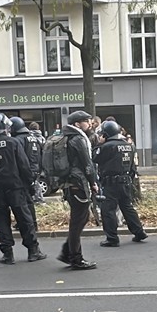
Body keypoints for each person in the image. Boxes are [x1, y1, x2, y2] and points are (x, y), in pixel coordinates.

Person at [0, 112, 45, 265]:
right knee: (24, 219)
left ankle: (7, 254)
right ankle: (33, 251)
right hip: (16, 188)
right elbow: (24, 166)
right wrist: (29, 186)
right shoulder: (12, 143)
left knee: (1, 222)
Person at [55, 111, 100, 270]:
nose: (90, 123)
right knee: (78, 221)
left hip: (71, 184)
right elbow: (87, 163)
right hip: (78, 184)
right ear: (77, 124)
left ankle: (68, 252)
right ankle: (75, 258)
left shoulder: (67, 138)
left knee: (80, 219)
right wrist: (93, 182)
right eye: (86, 121)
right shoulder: (79, 139)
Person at [94, 120, 147, 247]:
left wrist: (98, 145)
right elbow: (133, 166)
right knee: (127, 207)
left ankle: (112, 238)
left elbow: (95, 158)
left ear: (106, 135)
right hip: (125, 181)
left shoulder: (107, 146)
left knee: (108, 210)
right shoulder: (129, 145)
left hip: (111, 183)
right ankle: (139, 232)